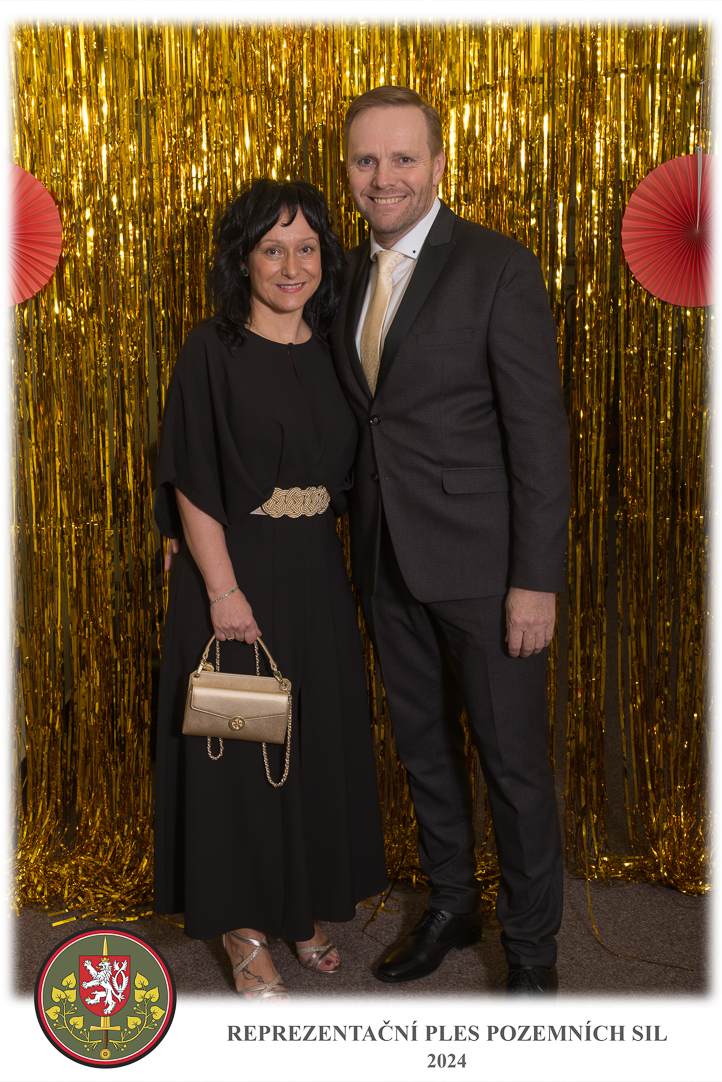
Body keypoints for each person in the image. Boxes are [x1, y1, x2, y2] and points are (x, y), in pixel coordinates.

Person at [329, 86, 571, 996]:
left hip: (485, 568)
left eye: (402, 158)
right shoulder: (343, 274)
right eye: (366, 159)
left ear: (437, 163)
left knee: (512, 764)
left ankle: (533, 952)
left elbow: (539, 436)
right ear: (347, 169)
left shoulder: (496, 265)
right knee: (423, 747)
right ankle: (452, 902)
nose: (383, 177)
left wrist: (535, 579)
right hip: (384, 556)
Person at [153, 178, 388, 1001]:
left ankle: (299, 905)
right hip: (235, 575)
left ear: (326, 258)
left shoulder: (338, 350)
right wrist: (223, 592)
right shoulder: (211, 350)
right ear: (243, 260)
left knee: (309, 747)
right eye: (272, 249)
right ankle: (243, 929)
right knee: (242, 754)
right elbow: (191, 479)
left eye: (307, 248)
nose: (292, 266)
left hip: (317, 574)